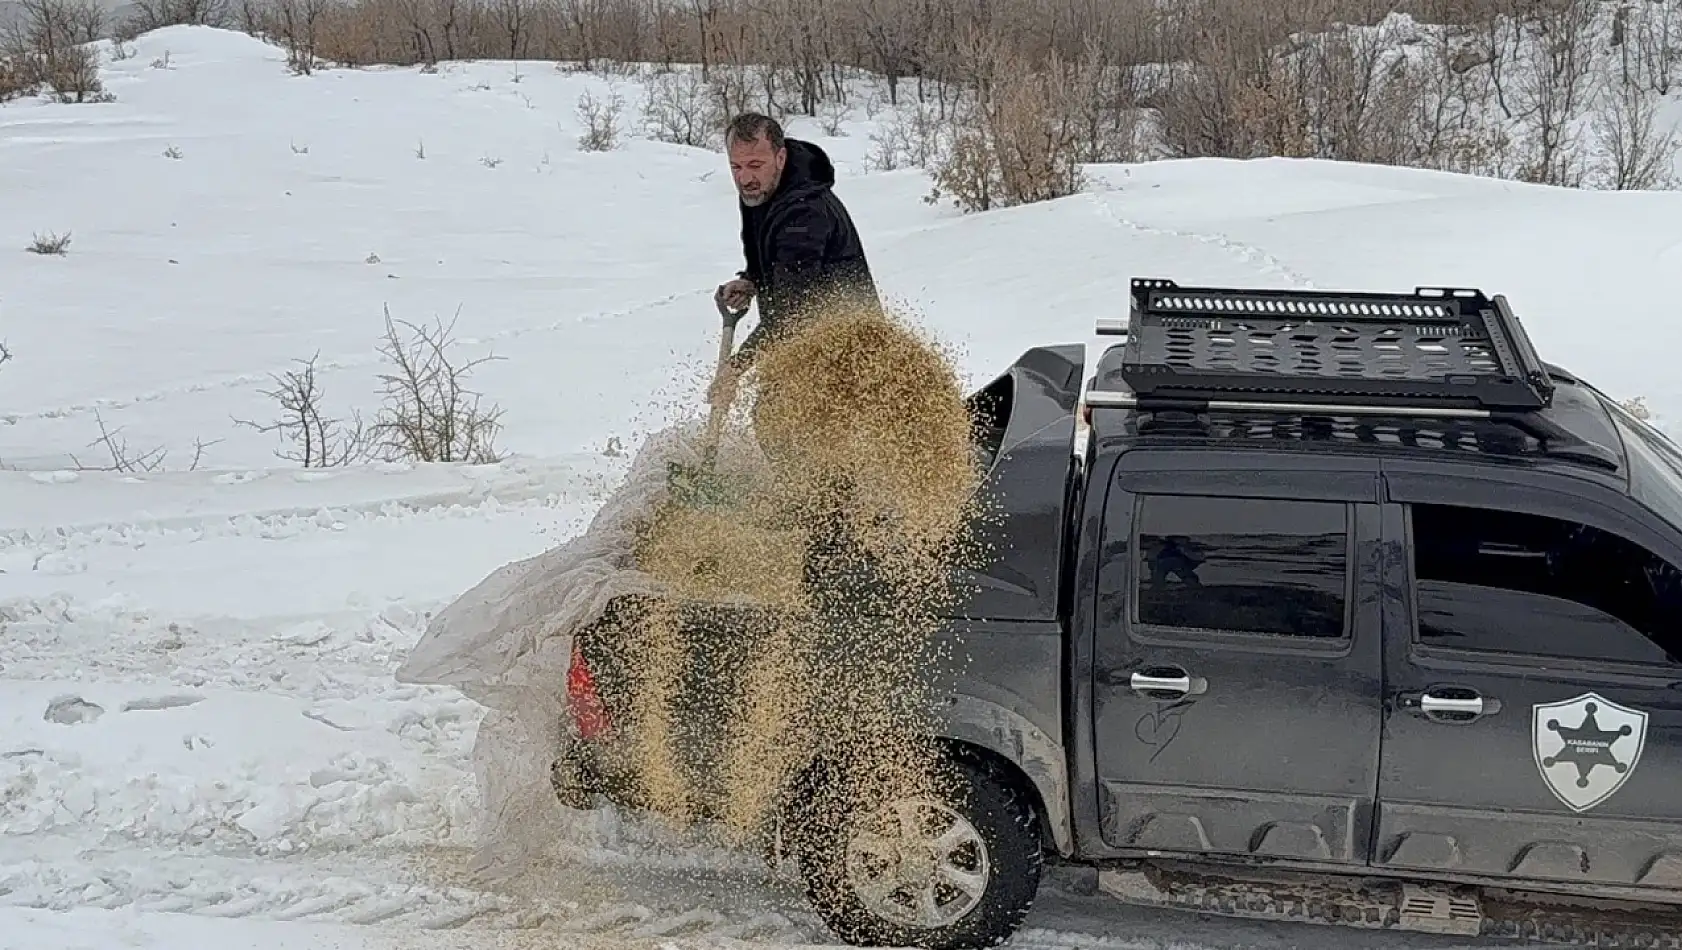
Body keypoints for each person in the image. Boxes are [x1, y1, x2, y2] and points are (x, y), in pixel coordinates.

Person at [709, 113, 881, 409]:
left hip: (849, 348)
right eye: (736, 167)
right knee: (772, 413)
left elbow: (793, 312)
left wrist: (735, 369)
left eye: (755, 165)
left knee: (779, 415)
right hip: (802, 341)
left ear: (780, 157)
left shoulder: (805, 214)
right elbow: (774, 260)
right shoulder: (760, 192)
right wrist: (752, 280)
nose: (744, 178)